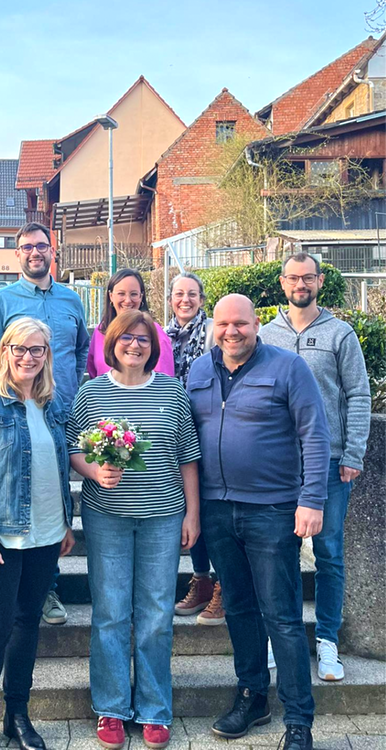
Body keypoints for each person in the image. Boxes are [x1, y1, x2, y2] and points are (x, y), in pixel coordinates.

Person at [187, 294, 330, 750]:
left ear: (257, 324)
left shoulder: (289, 368)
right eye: (223, 324)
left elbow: (315, 434)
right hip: (217, 509)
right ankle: (252, 697)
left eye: (241, 324)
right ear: (213, 326)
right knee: (239, 608)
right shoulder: (199, 371)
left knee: (281, 617)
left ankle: (299, 720)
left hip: (272, 510)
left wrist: (312, 499)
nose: (232, 331)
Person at [68, 309, 201, 750]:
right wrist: (94, 471)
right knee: (110, 612)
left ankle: (154, 708)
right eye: (127, 337)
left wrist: (193, 514)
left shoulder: (173, 391)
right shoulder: (91, 393)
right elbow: (72, 448)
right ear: (112, 343)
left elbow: (188, 457)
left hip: (163, 516)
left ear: (154, 346)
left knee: (157, 613)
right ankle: (110, 707)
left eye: (143, 339)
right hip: (107, 516)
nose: (135, 345)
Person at [0, 317, 75, 750]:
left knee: (28, 624)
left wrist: (65, 522)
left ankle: (17, 715)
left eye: (37, 349)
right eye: (19, 349)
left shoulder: (52, 404)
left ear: (47, 355)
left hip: (47, 534)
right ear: (5, 351)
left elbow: (59, 466)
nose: (28, 357)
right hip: (0, 540)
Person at [259, 253, 371, 681]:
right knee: (280, 553)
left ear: (320, 281)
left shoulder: (340, 334)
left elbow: (358, 394)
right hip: (279, 464)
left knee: (329, 553)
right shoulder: (266, 335)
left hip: (330, 462)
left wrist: (353, 453)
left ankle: (327, 640)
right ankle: (281, 637)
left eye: (308, 277)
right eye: (293, 278)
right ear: (282, 283)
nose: (300, 284)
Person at [0, 221, 89, 625]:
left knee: (52, 491)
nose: (34, 253)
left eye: (41, 246)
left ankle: (48, 588)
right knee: (20, 491)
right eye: (26, 247)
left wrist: (69, 390)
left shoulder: (71, 299)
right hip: (16, 413)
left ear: (52, 250)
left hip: (59, 413)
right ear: (17, 254)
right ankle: (16, 587)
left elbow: (80, 350)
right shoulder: (2, 300)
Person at [166, 272, 223, 626]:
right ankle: (201, 579)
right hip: (177, 434)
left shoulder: (215, 330)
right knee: (192, 506)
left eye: (192, 294)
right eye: (178, 294)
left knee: (214, 510)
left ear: (202, 299)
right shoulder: (162, 336)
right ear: (170, 299)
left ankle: (224, 584)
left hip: (213, 430)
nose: (185, 300)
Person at [86, 269, 174, 378]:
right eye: (121, 294)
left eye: (133, 294)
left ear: (141, 297)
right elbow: (93, 374)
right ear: (111, 296)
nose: (127, 300)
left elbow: (164, 379)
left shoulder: (154, 332)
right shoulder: (101, 330)